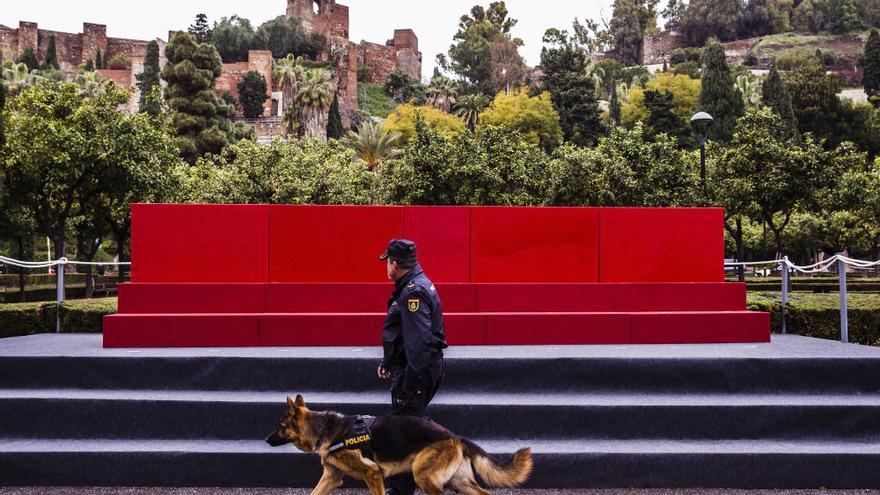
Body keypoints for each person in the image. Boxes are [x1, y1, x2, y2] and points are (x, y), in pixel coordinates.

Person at [376, 239, 448, 495]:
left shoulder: (413, 292)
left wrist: (409, 383)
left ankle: (403, 489)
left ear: (395, 264)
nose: (386, 267)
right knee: (409, 427)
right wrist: (389, 360)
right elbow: (405, 336)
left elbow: (419, 344)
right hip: (413, 368)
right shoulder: (411, 286)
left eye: (387, 262)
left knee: (402, 431)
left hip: (416, 372)